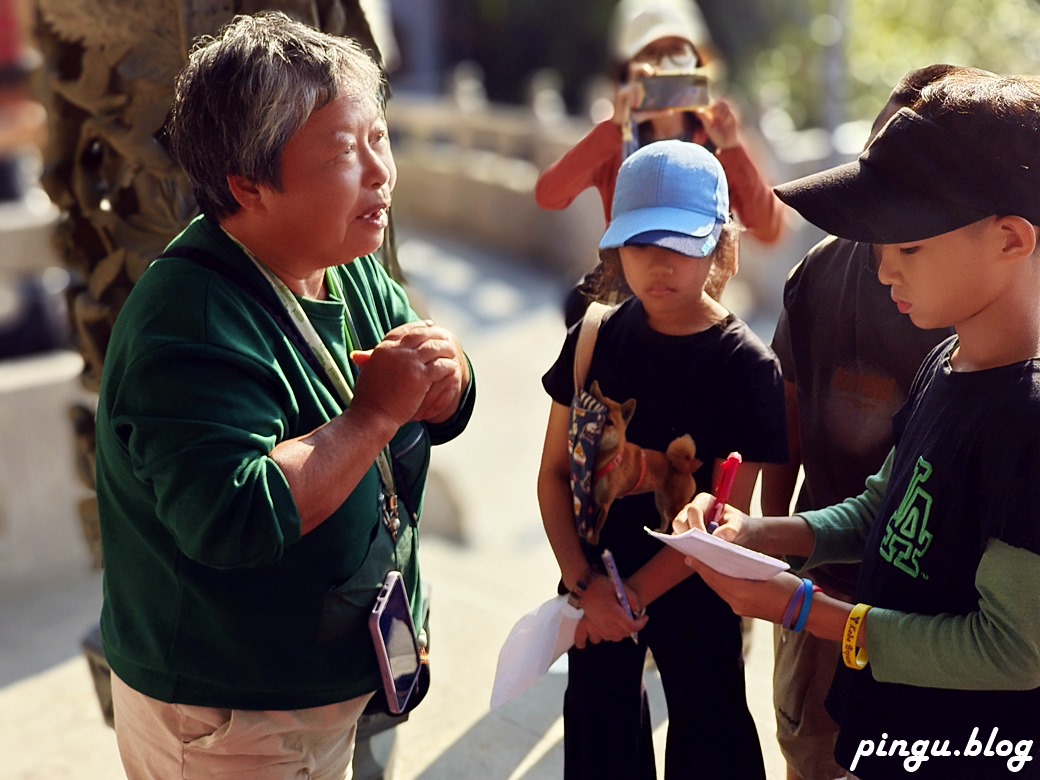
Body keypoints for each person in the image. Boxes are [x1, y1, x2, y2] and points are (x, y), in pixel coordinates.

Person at [93, 12, 475, 779]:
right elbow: (231, 515)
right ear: (247, 183)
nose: (379, 173)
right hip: (231, 712)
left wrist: (448, 379)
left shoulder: (343, 254)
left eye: (379, 138)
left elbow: (422, 386)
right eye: (343, 152)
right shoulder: (189, 320)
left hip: (316, 680)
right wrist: (374, 414)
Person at [678, 69, 1040, 780]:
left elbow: (1012, 650)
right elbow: (887, 503)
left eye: (907, 246)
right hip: (883, 731)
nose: (880, 270)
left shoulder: (1026, 421)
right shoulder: (948, 358)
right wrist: (764, 537)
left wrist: (806, 609)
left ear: (1010, 240)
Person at [537, 139, 788, 779]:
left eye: (679, 243)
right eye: (641, 243)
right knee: (601, 751)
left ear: (717, 243)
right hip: (593, 595)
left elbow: (723, 520)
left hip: (696, 599)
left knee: (711, 747)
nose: (658, 263)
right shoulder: (593, 336)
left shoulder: (747, 367)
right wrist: (584, 585)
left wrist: (630, 600)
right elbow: (555, 473)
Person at [760, 65, 963, 780]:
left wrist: (777, 539)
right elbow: (789, 413)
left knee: (816, 754)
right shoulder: (957, 300)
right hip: (890, 603)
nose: (892, 273)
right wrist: (775, 546)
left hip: (851, 595)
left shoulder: (825, 265)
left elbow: (781, 420)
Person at [533, 2, 784, 324]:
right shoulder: (615, 140)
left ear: (698, 63)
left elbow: (769, 230)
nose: (664, 66)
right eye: (651, 55)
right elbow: (549, 194)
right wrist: (614, 127)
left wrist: (733, 147)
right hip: (629, 305)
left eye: (675, 52)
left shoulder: (718, 139)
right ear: (628, 73)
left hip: (698, 306)